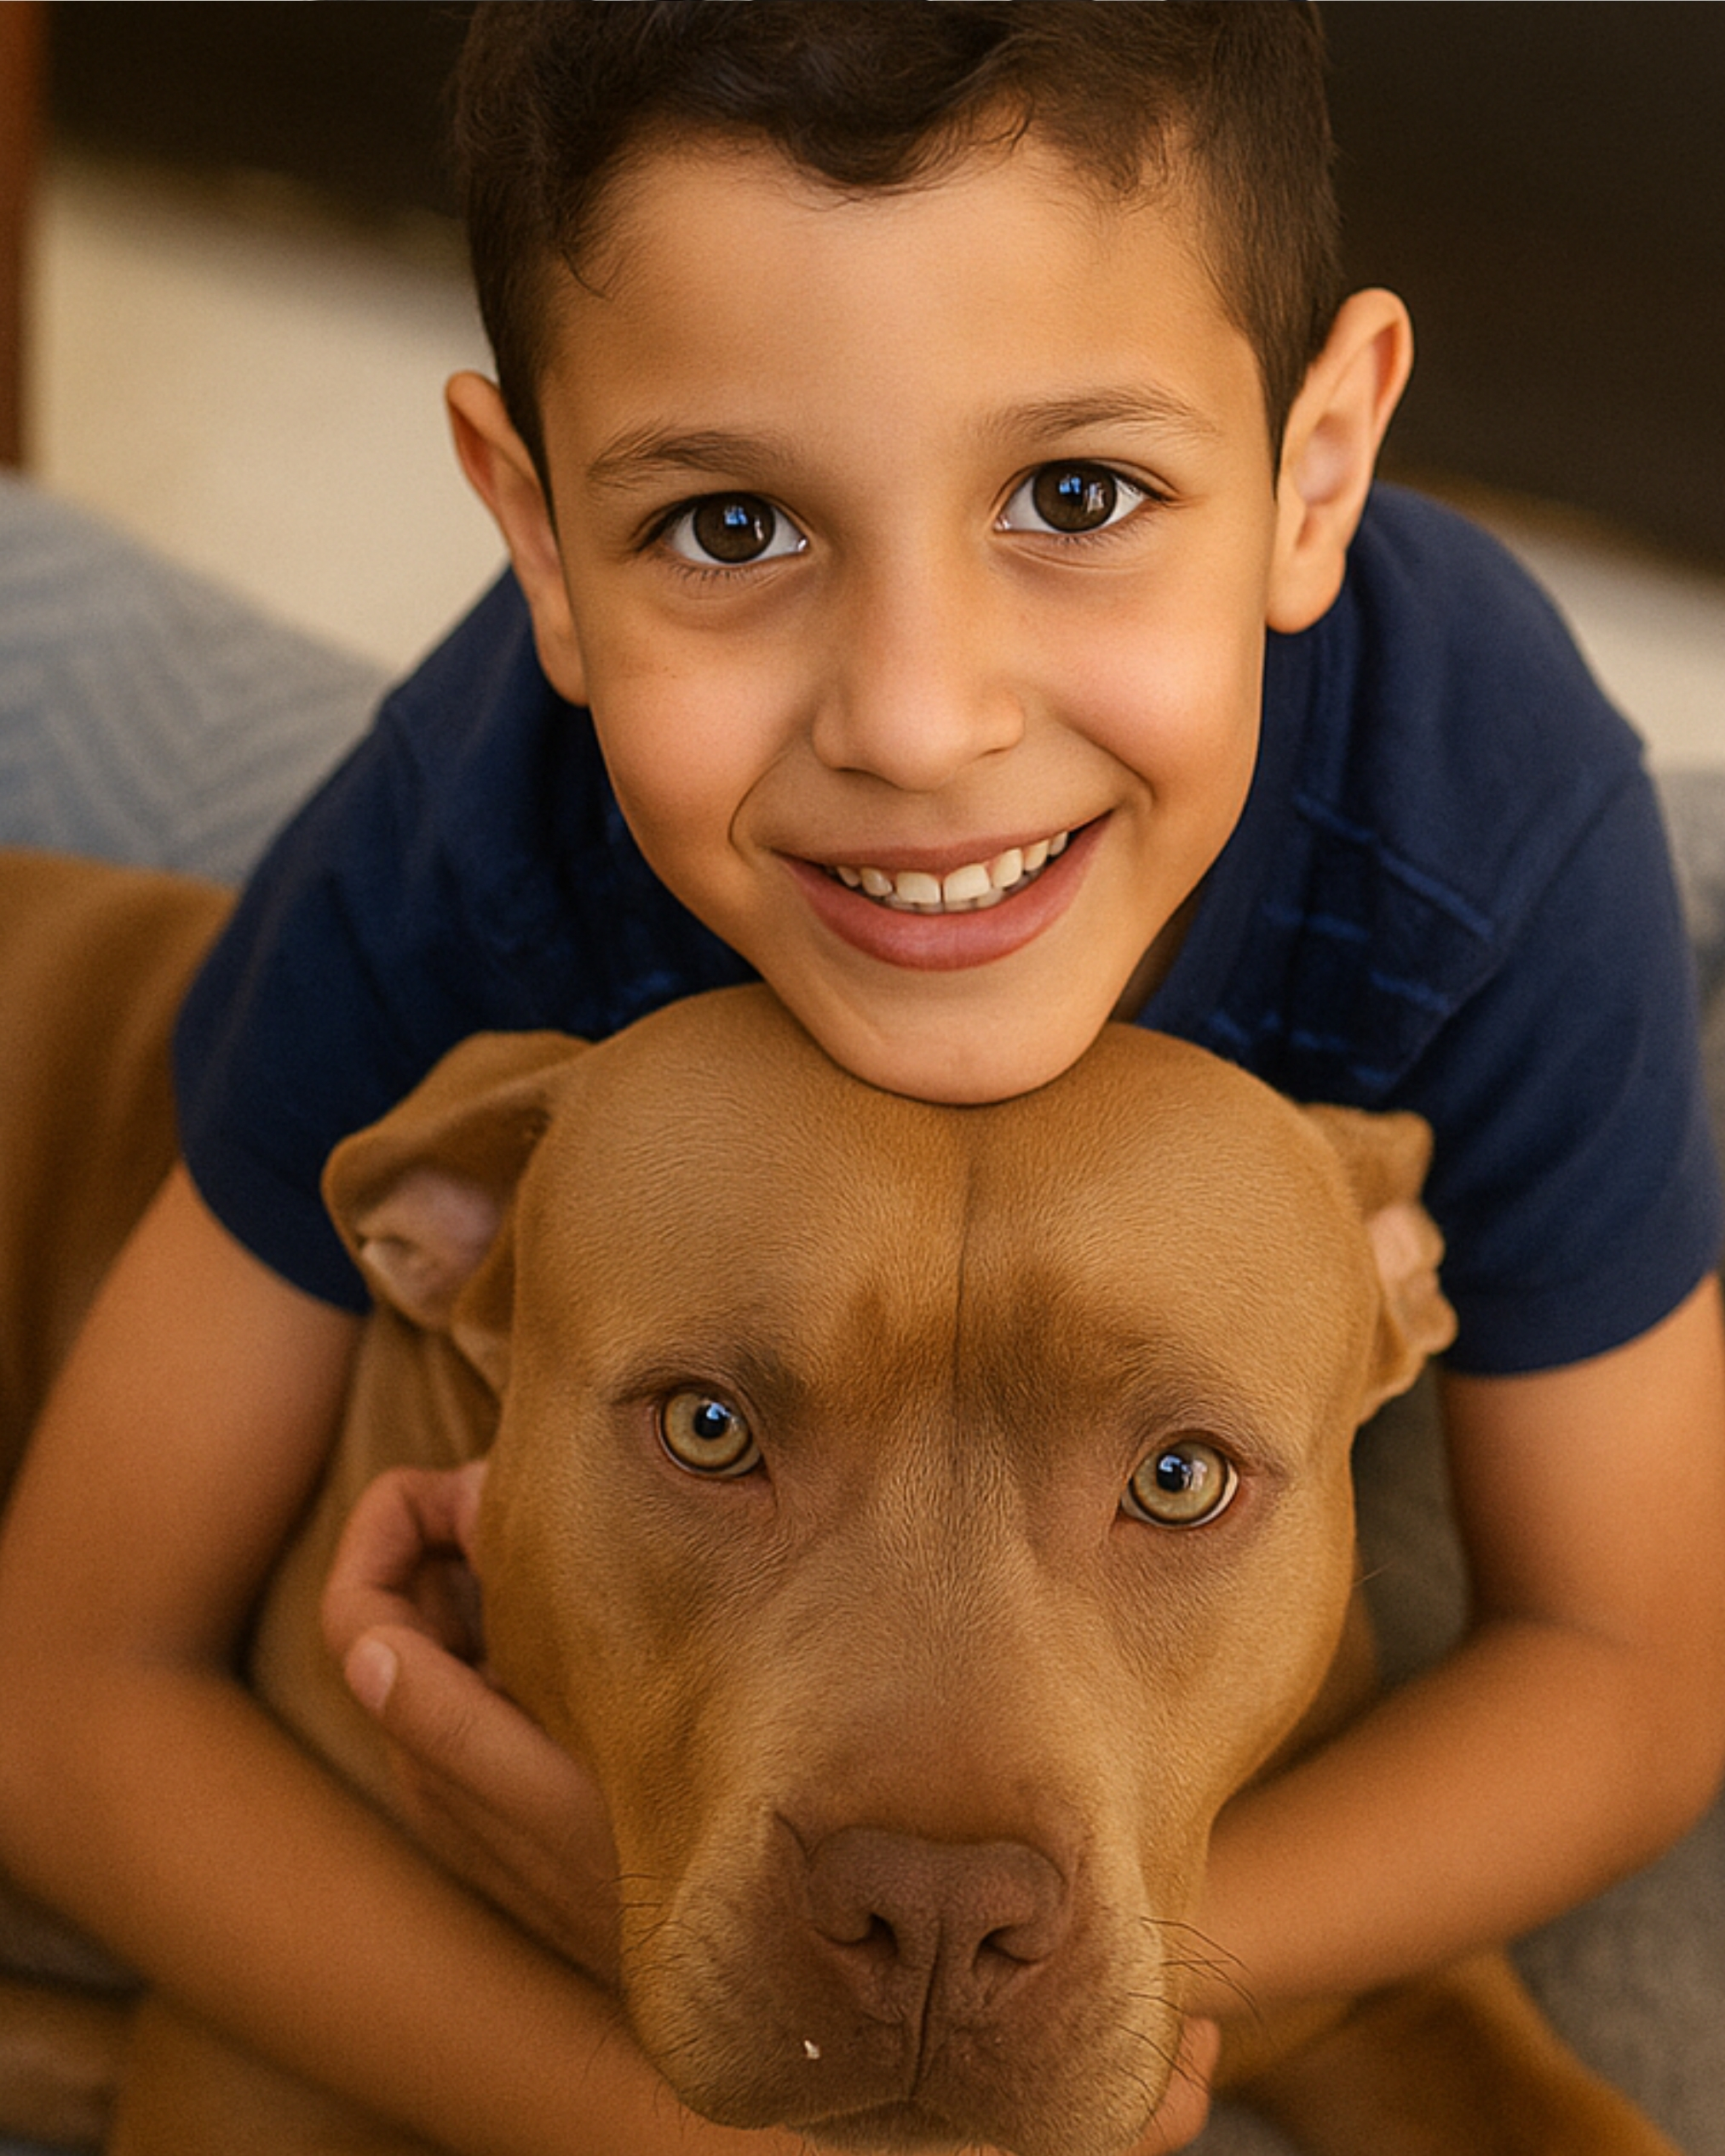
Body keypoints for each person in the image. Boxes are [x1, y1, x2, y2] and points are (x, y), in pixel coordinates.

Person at [2, 6, 1722, 2153]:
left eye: (1074, 492)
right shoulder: (447, 871)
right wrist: (699, 2104)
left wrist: (1130, 1969)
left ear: (1315, 467)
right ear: (533, 534)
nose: (917, 719)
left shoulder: (1480, 820)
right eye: (732, 526)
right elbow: (73, 1702)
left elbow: (1632, 1669)